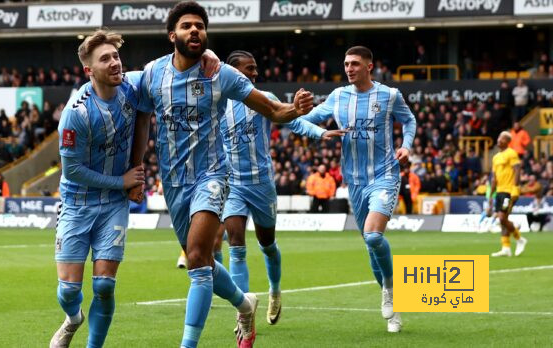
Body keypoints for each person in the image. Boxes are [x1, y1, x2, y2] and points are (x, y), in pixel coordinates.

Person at [136, 2, 314, 347]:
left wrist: (295, 108)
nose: (195, 31)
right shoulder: (151, 74)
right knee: (197, 259)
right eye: (187, 26)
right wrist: (135, 166)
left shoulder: (221, 74)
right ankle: (245, 304)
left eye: (200, 26)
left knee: (200, 261)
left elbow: (273, 109)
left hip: (212, 176)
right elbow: (139, 112)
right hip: (173, 182)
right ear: (172, 35)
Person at [296, 46, 417, 333]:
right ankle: (394, 304)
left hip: (385, 175)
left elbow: (409, 120)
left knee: (374, 237)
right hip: (354, 180)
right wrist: (319, 132)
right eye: (346, 64)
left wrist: (406, 145)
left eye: (355, 64)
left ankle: (389, 289)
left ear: (369, 66)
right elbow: (299, 121)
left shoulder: (389, 95)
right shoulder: (339, 97)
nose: (349, 68)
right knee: (369, 245)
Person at [221, 50, 342, 327]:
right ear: (232, 72)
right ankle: (244, 312)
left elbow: (294, 121)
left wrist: (320, 133)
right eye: (249, 69)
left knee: (267, 245)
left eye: (255, 68)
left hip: (262, 184)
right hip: (233, 185)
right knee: (236, 246)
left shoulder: (265, 100)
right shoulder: (218, 104)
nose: (255, 73)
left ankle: (274, 290)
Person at [48, 29, 149, 348]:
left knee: (104, 285)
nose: (115, 63)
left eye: (116, 56)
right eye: (105, 59)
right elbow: (73, 171)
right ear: (89, 70)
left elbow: (162, 72)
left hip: (113, 206)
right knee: (68, 291)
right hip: (77, 203)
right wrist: (123, 181)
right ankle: (73, 318)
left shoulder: (132, 86)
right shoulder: (76, 113)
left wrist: (210, 56)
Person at [489, 131, 527, 257]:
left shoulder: (511, 153)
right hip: (499, 192)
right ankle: (506, 248)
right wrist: (490, 195)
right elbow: (494, 178)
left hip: (509, 190)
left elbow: (517, 170)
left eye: (503, 138)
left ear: (507, 141)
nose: (499, 140)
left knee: (502, 218)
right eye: (499, 137)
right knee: (503, 220)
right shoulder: (495, 157)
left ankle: (520, 239)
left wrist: (515, 189)